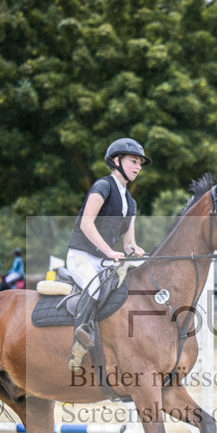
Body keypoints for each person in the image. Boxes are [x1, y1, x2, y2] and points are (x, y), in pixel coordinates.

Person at [66, 137, 150, 367]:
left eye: (140, 163)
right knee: (95, 288)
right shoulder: (103, 186)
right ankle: (79, 343)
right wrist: (108, 252)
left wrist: (137, 250)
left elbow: (129, 243)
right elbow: (86, 223)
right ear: (116, 161)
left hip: (104, 261)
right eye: (134, 161)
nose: (138, 167)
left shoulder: (131, 202)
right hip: (81, 256)